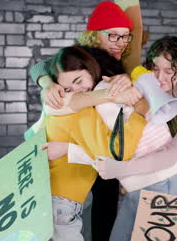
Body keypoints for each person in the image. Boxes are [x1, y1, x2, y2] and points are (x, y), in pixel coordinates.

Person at [28, 0, 136, 240]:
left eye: (125, 37)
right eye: (113, 36)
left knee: (103, 204)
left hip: (99, 145)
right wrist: (47, 84)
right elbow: (39, 67)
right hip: (76, 145)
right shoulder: (77, 59)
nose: (120, 43)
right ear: (94, 35)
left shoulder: (118, 63)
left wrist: (126, 81)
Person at [93, 36, 177, 239]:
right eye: (155, 69)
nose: (160, 77)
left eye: (169, 71)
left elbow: (170, 155)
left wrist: (119, 169)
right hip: (146, 178)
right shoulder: (149, 88)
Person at [37, 46, 148, 241]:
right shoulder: (78, 111)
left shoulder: (66, 103)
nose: (77, 91)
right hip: (62, 202)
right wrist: (139, 114)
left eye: (78, 81)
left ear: (91, 69)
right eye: (68, 89)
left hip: (55, 195)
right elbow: (117, 153)